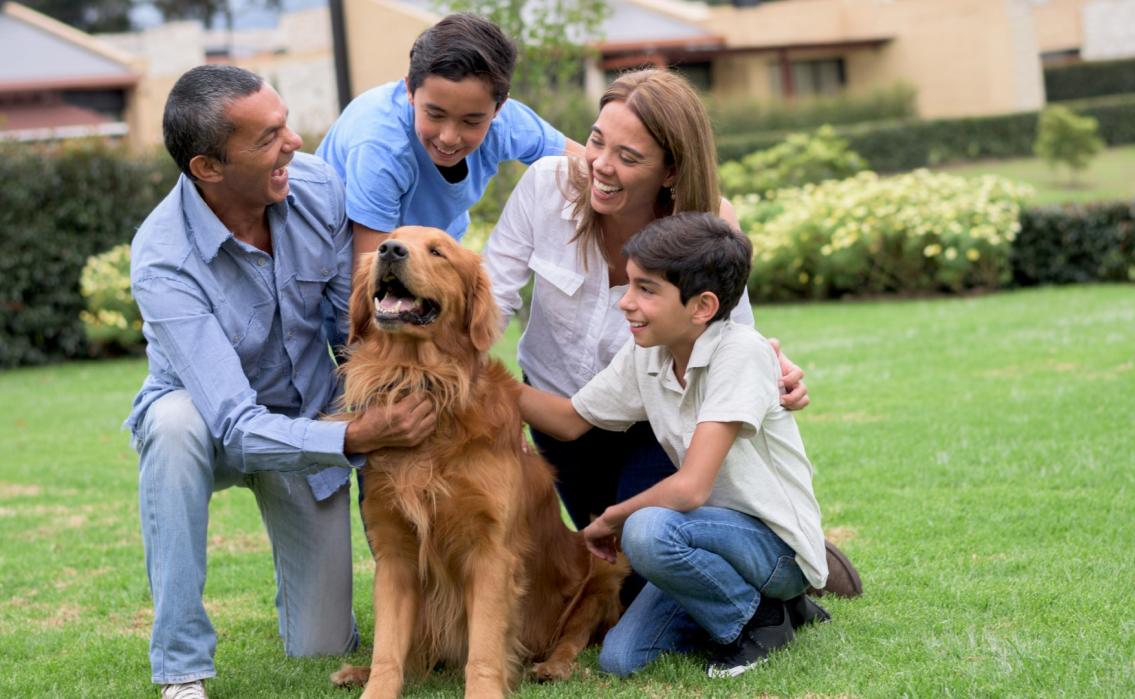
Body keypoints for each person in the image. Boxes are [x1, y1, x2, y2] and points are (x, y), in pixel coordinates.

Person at [484, 70, 850, 605]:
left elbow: (728, 332)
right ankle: (759, 558)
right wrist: (475, 382)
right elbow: (491, 298)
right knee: (614, 583)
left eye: (629, 158)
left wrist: (773, 367)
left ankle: (782, 558)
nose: (601, 167)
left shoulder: (706, 221)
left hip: (652, 423)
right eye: (595, 140)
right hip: (560, 412)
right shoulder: (546, 187)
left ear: (671, 169)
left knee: (640, 561)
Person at [126, 65, 434, 699]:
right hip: (215, 424)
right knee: (172, 425)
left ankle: (302, 596)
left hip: (308, 422)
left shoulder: (315, 186)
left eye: (286, 122)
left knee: (321, 643)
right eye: (268, 137)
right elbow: (235, 424)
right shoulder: (164, 260)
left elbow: (350, 327)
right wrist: (359, 435)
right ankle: (182, 668)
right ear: (207, 167)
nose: (294, 142)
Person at [518, 213, 831, 678]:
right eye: (628, 285)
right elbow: (568, 421)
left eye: (646, 290)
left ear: (702, 306)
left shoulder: (740, 353)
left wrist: (611, 518)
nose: (625, 303)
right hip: (704, 542)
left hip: (774, 547)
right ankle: (782, 609)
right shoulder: (648, 353)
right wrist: (478, 379)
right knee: (621, 660)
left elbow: (690, 490)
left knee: (647, 530)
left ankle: (760, 621)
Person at [316, 12, 580, 264]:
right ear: (410, 89)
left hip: (427, 255)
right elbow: (368, 280)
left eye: (471, 121)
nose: (449, 137)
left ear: (498, 108)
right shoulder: (381, 146)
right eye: (435, 114)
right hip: (342, 263)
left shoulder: (507, 123)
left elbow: (594, 165)